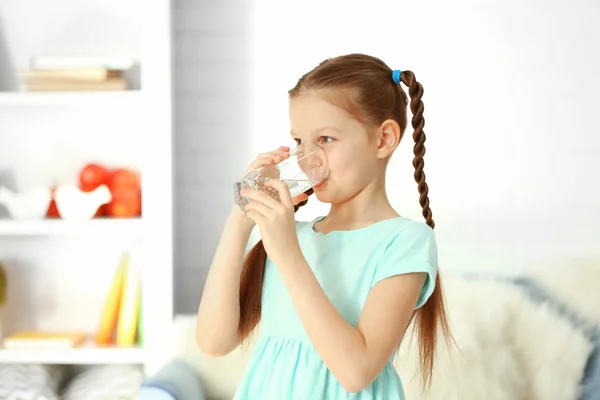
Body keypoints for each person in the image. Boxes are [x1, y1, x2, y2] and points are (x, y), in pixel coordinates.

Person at [196, 53, 452, 399]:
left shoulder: (404, 241)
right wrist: (240, 219)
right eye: (300, 141)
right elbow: (213, 342)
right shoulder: (291, 234)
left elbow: (355, 371)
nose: (305, 158)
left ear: (383, 139)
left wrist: (288, 255)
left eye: (326, 140)